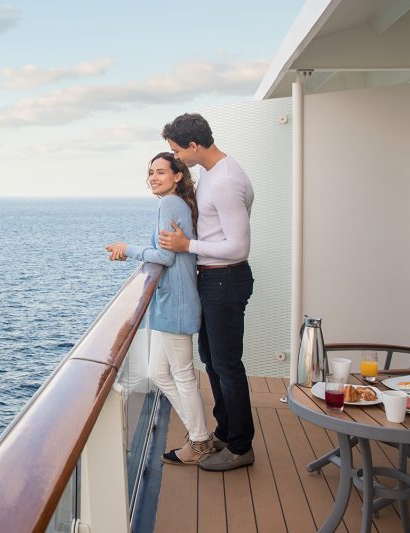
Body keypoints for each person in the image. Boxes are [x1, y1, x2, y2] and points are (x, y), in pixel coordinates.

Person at [157, 113, 255, 472]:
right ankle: (225, 434)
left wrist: (187, 245)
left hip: (226, 279)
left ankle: (242, 447)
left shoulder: (226, 180)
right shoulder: (215, 174)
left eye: (177, 151)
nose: (176, 157)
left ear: (193, 146)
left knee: (227, 366)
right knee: (213, 362)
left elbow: (238, 247)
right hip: (213, 280)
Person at [105, 152, 213, 465]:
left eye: (161, 172)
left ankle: (200, 440)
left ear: (178, 175)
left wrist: (128, 250)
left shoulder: (170, 203)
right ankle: (199, 433)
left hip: (176, 303)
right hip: (173, 302)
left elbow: (165, 257)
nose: (153, 177)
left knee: (181, 374)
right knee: (157, 372)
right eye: (151, 172)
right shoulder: (176, 203)